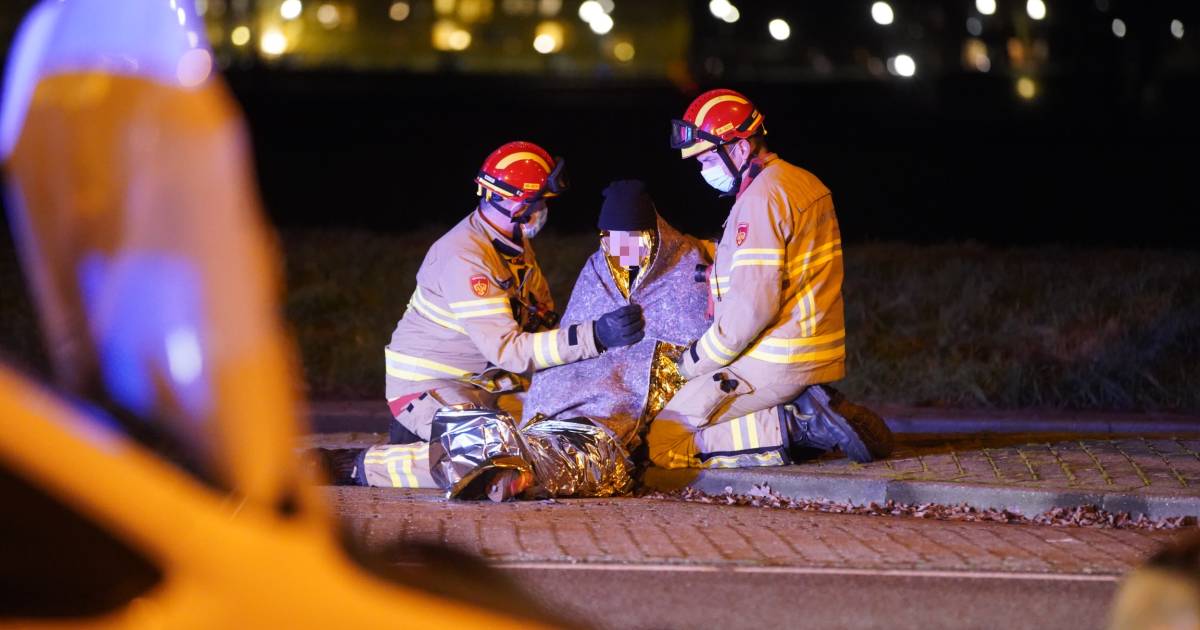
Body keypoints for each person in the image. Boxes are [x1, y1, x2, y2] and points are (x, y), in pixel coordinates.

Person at [319, 141, 645, 489]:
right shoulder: (466, 257)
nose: (544, 210)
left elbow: (538, 319)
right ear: (517, 202)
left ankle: (447, 440)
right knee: (490, 459)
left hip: (485, 386)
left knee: (551, 432)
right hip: (429, 388)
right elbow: (510, 351)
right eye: (540, 202)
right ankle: (352, 465)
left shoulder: (509, 241)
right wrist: (594, 336)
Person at [646, 88, 894, 470]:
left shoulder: (759, 199)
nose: (702, 170)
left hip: (776, 359)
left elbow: (749, 310)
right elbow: (771, 262)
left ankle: (802, 427)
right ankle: (805, 411)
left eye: (708, 158)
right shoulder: (798, 182)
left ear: (741, 149)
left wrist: (693, 362)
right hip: (809, 349)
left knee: (664, 440)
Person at [521, 180, 710, 453]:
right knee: (555, 381)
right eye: (610, 238)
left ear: (652, 235)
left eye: (630, 239)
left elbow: (696, 335)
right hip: (597, 367)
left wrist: (646, 351)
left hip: (651, 378)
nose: (619, 249)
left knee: (614, 414)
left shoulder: (685, 263)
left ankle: (588, 445)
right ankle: (548, 434)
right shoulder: (597, 266)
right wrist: (600, 332)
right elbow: (574, 327)